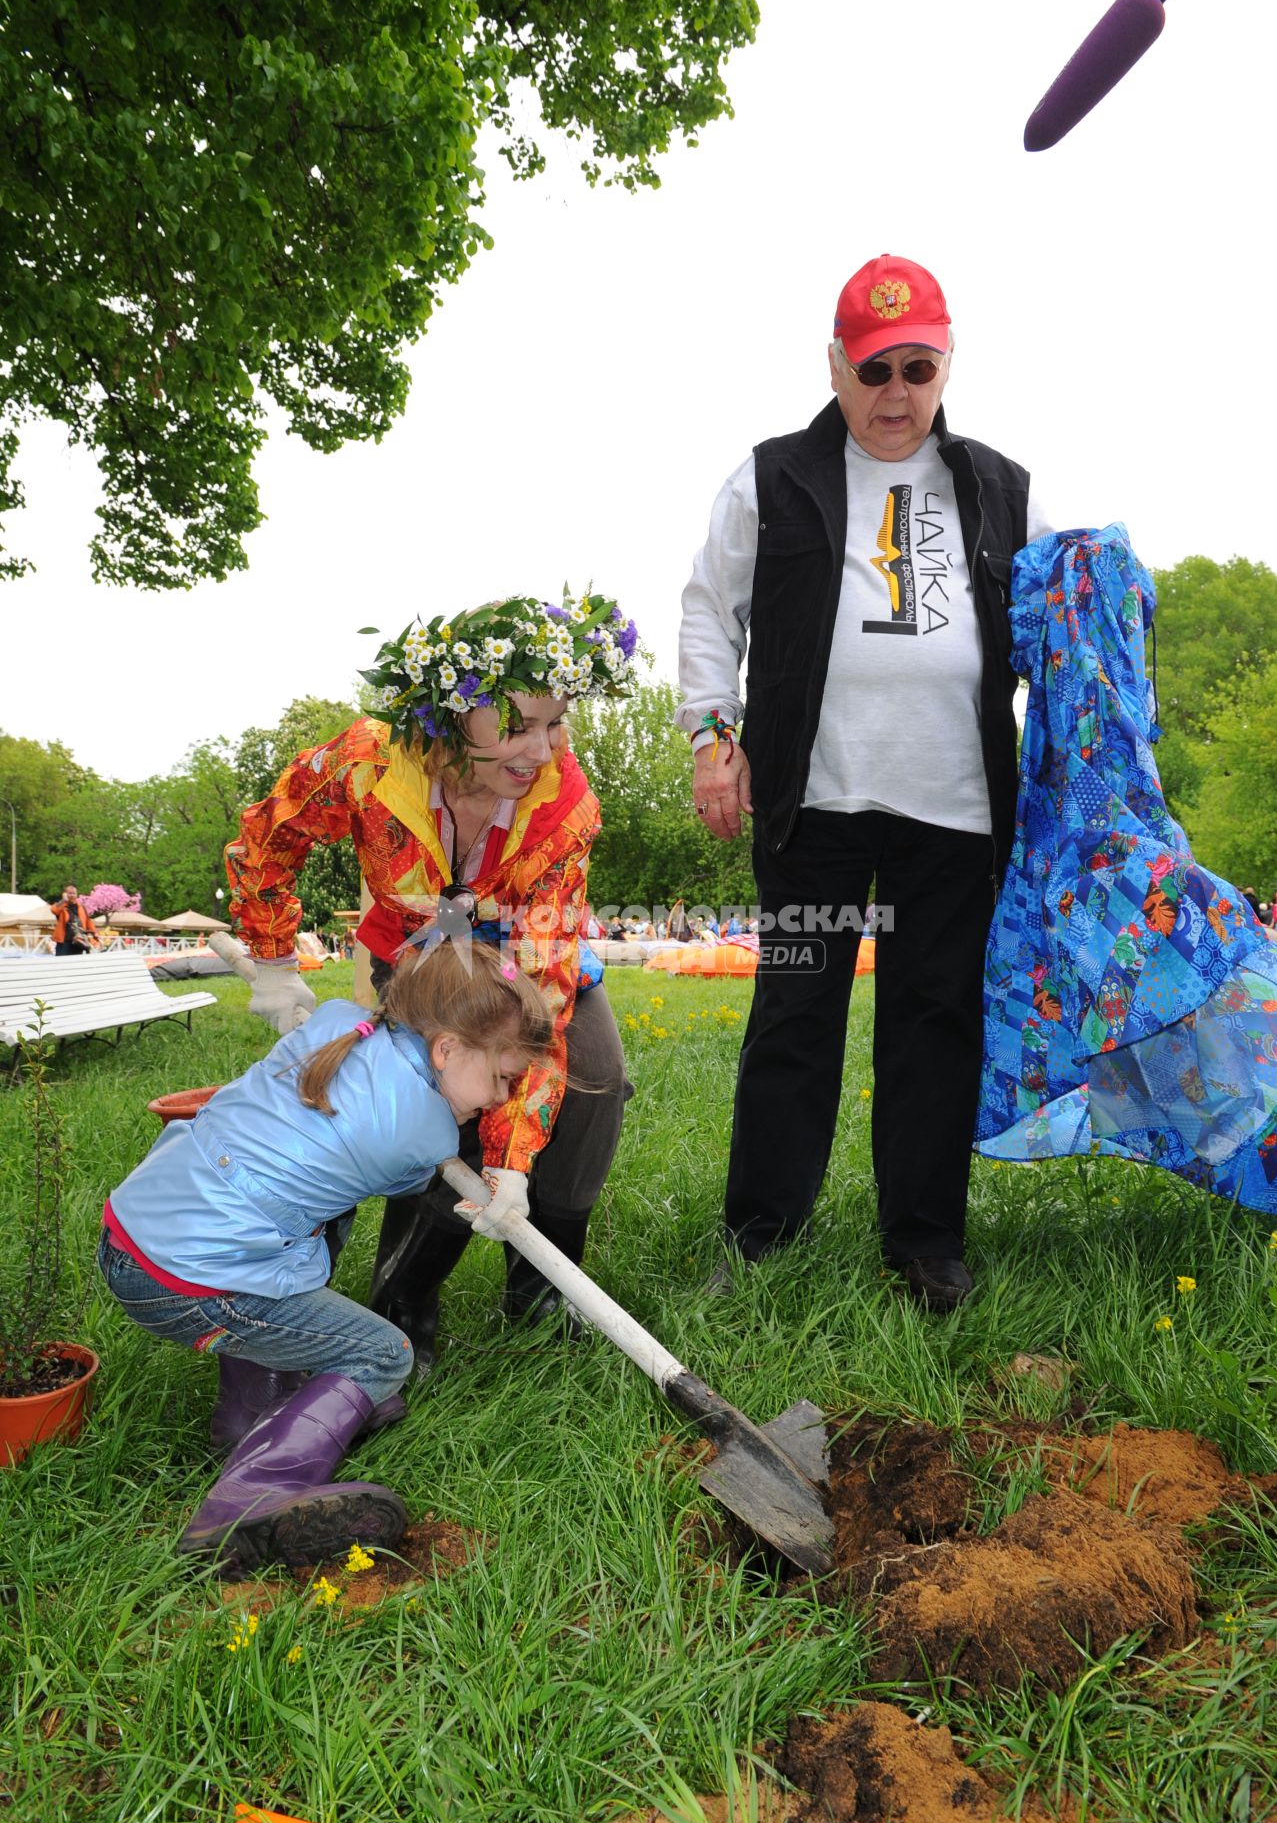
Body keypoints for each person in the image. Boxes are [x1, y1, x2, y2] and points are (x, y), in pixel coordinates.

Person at [678, 254, 1053, 1311]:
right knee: (796, 1013)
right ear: (835, 366)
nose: (895, 395)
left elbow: (1044, 631)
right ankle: (759, 1234)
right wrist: (713, 737)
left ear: (945, 366)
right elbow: (709, 610)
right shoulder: (771, 476)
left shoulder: (999, 486)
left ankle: (925, 1243)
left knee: (935, 1021)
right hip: (817, 804)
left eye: (916, 368)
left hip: (955, 810)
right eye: (873, 369)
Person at [225, 593, 638, 1374]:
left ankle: (539, 1283)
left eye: (557, 723)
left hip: (525, 956)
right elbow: (266, 836)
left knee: (596, 1078)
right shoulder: (366, 763)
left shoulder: (566, 806)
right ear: (450, 721)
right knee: (433, 1098)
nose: (542, 749)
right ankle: (406, 1295)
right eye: (516, 726)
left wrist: (511, 1160)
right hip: (417, 958)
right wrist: (276, 965)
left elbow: (543, 988)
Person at [97, 941, 553, 1575]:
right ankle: (252, 1495)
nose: (503, 1099)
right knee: (381, 1353)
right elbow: (407, 1180)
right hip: (193, 1284)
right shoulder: (422, 1134)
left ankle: (251, 1415)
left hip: (134, 1235)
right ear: (445, 1048)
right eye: (502, 1077)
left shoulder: (341, 1021)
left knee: (321, 1221)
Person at [50, 885, 100, 955]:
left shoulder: (81, 907)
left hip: (79, 941)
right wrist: (63, 901)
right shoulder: (62, 906)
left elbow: (88, 921)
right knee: (61, 963)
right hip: (64, 942)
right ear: (65, 894)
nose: (72, 895)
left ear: (76, 895)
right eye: (69, 893)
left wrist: (95, 932)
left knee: (76, 963)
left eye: (73, 893)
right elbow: (54, 910)